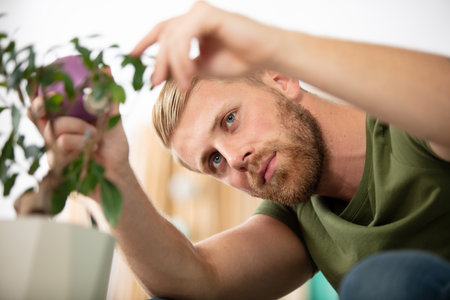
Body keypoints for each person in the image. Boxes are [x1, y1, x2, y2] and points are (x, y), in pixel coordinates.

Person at [34, 1, 450, 299]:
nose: (234, 160)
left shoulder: (408, 120)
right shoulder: (299, 218)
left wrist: (272, 42)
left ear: (282, 78)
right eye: (213, 161)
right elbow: (196, 282)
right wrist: (114, 176)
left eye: (230, 120)